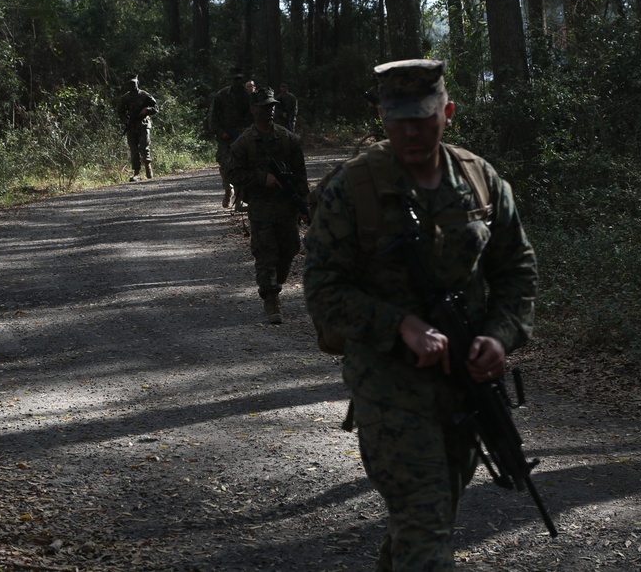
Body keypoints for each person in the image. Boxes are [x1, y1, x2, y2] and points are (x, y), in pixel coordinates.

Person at [303, 59, 537, 571]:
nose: (410, 130)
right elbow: (321, 288)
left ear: (447, 112)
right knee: (425, 523)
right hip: (389, 389)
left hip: (464, 388)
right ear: (382, 118)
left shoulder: (479, 181)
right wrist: (400, 325)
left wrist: (500, 337)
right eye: (397, 118)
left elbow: (517, 269)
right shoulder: (353, 189)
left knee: (426, 520)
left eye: (422, 117)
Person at [228, 87, 309, 324]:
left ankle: (276, 281)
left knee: (290, 248)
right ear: (253, 109)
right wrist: (262, 178)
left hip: (286, 207)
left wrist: (305, 205)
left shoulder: (288, 139)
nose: (269, 111)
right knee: (265, 253)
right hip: (261, 207)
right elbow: (233, 174)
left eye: (272, 106)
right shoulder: (244, 143)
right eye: (264, 107)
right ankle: (271, 299)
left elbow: (300, 177)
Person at [208, 68, 251, 210]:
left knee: (241, 168)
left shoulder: (248, 96)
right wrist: (221, 132)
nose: (238, 82)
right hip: (226, 138)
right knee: (226, 168)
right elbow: (212, 118)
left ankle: (238, 201)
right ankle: (228, 189)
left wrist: (248, 132)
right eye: (235, 79)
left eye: (240, 79)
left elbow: (253, 116)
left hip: (241, 137)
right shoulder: (221, 95)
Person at [116, 75, 158, 181]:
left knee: (144, 147)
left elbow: (155, 108)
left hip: (143, 124)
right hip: (132, 126)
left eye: (134, 83)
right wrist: (126, 120)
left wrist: (147, 110)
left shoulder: (145, 95)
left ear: (137, 83)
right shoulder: (125, 98)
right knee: (133, 149)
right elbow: (120, 112)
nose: (132, 86)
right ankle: (136, 173)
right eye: (130, 84)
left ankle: (148, 167)